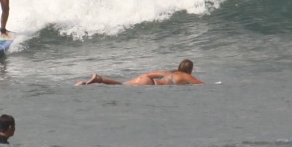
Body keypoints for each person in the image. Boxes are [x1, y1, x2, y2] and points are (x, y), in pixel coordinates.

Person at [76, 59, 204, 86]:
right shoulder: (186, 76)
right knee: (120, 87)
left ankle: (97, 79)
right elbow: (201, 84)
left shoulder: (168, 72)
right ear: (190, 70)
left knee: (121, 85)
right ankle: (94, 81)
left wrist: (140, 78)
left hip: (146, 78)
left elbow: (149, 74)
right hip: (150, 84)